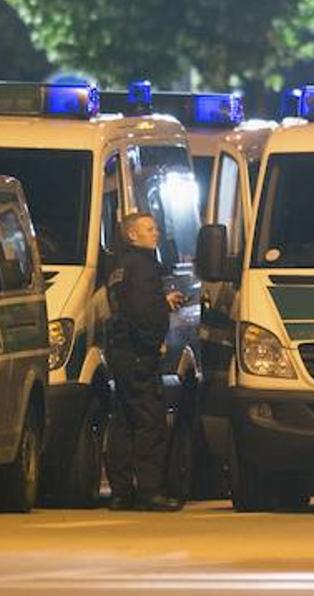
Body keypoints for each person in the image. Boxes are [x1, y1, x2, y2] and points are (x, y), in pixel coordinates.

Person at [104, 212, 185, 512]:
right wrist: (155, 336)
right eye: (149, 229)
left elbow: (124, 306)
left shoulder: (120, 266)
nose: (156, 233)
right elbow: (140, 311)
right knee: (149, 420)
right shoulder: (142, 267)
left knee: (123, 422)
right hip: (138, 354)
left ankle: (121, 491)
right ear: (132, 235)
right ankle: (150, 492)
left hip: (121, 352)